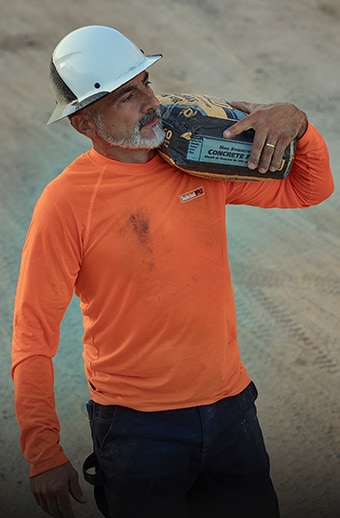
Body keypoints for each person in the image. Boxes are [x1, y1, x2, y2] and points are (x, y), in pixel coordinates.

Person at [11, 25, 334, 518]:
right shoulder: (66, 204)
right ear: (83, 123)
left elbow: (308, 189)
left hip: (231, 411)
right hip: (138, 432)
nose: (150, 102)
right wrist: (42, 452)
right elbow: (32, 334)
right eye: (126, 95)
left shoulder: (194, 158)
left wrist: (300, 124)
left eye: (146, 83)